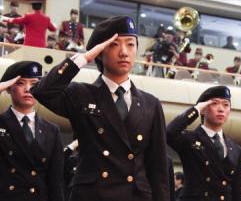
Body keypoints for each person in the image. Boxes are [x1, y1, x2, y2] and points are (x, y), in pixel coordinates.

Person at [31, 16, 170, 201]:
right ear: (99, 51)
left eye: (130, 44)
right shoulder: (82, 94)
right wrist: (83, 58)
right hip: (93, 195)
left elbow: (158, 168)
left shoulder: (151, 104)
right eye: (114, 45)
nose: (124, 52)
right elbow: (43, 92)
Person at [0, 61, 64, 201]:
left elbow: (56, 182)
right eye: (20, 83)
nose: (28, 89)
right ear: (9, 88)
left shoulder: (52, 130)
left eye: (34, 84)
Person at [167, 86, 241, 201]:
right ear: (204, 108)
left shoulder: (236, 149)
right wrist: (195, 110)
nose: (221, 109)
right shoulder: (190, 139)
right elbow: (168, 133)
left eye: (226, 105)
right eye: (215, 103)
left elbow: (237, 191)